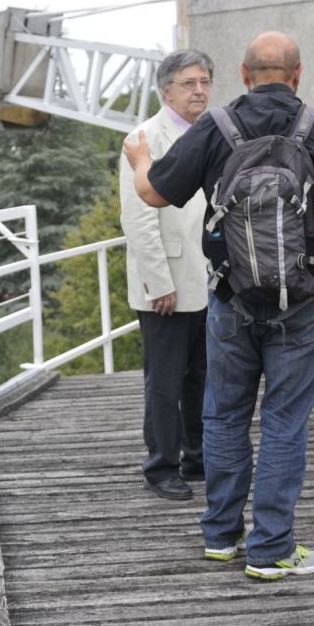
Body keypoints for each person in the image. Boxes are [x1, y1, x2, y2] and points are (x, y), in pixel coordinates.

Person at [123, 31, 314, 580]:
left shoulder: (216, 125)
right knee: (284, 422)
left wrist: (140, 159)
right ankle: (271, 548)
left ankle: (220, 536)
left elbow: (154, 193)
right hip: (302, 303)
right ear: (298, 74)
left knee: (224, 415)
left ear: (244, 74)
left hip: (231, 299)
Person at [119, 49, 214, 501]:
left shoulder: (211, 132)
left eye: (205, 82)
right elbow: (139, 219)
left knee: (202, 376)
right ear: (166, 91)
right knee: (165, 381)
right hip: (167, 283)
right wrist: (159, 283)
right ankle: (161, 466)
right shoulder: (143, 139)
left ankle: (197, 457)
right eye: (189, 83)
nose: (199, 90)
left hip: (208, 280)